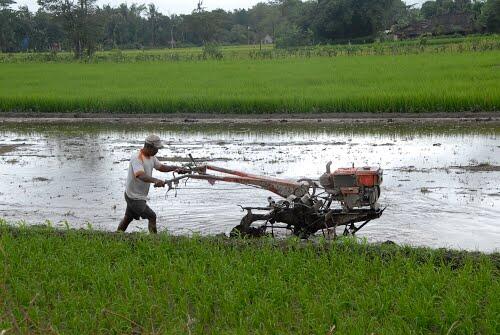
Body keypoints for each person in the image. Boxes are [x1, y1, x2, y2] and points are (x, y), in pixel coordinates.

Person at [118, 134, 189, 234]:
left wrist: (175, 168)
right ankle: (155, 241)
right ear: (149, 147)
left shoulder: (151, 157)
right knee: (152, 216)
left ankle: (117, 235)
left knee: (128, 218)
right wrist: (156, 180)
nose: (157, 151)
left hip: (135, 195)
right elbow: (141, 175)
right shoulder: (137, 158)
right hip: (134, 197)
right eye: (156, 148)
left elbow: (161, 167)